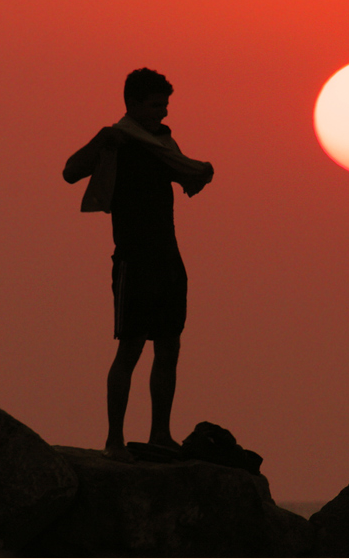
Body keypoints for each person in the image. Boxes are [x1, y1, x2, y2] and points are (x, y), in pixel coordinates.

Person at [64, 68, 214, 462]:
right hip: (134, 257)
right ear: (132, 104)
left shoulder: (161, 143)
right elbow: (70, 171)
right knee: (130, 348)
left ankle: (160, 433)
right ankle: (114, 439)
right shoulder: (118, 140)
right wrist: (101, 139)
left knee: (169, 346)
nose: (162, 113)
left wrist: (199, 171)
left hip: (167, 255)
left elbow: (186, 174)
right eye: (154, 105)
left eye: (164, 105)